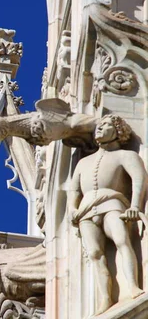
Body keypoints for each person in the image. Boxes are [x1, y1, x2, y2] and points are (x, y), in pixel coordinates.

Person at [69, 114, 146, 314]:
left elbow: (139, 180)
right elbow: (74, 190)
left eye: (105, 125)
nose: (99, 129)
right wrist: (72, 209)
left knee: (121, 240)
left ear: (118, 130)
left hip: (111, 203)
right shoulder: (83, 163)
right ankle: (105, 297)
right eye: (98, 126)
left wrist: (135, 206)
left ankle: (132, 286)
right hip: (86, 211)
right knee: (95, 254)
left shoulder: (126, 156)